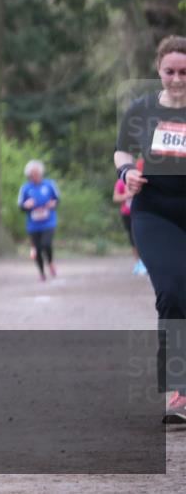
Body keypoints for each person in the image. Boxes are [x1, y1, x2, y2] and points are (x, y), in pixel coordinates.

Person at [114, 35, 186, 424]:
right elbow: (121, 148)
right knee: (173, 290)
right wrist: (126, 172)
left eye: (184, 72)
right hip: (154, 212)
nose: (177, 79)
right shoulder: (141, 110)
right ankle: (180, 391)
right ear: (159, 71)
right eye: (170, 72)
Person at [17, 160, 61, 281]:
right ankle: (41, 272)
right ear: (29, 175)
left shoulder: (49, 184)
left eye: (37, 173)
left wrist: (53, 203)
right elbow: (21, 205)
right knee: (37, 249)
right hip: (33, 224)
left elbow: (57, 200)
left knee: (46, 243)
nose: (35, 176)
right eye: (32, 174)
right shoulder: (25, 188)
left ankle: (50, 262)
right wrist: (26, 205)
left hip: (48, 221)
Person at [112, 159, 147, 275]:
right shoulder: (122, 181)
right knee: (133, 238)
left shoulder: (145, 180)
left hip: (142, 213)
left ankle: (147, 262)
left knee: (144, 237)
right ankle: (139, 263)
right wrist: (128, 195)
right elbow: (116, 198)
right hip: (127, 213)